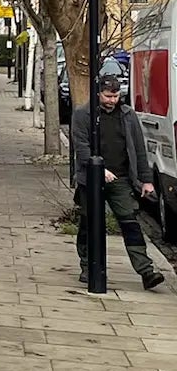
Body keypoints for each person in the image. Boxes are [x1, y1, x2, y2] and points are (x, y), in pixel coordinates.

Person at [70, 60, 164, 289]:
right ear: (99, 93)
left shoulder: (127, 115)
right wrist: (100, 171)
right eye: (108, 96)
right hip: (91, 179)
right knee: (89, 224)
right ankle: (88, 266)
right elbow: (81, 148)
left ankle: (146, 270)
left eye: (116, 96)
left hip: (121, 178)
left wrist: (146, 180)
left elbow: (138, 149)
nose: (112, 100)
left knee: (130, 222)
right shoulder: (84, 115)